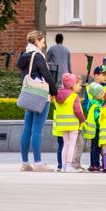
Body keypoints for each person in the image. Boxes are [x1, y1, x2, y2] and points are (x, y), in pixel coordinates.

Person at [15, 32, 52, 172]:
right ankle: (38, 162)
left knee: (27, 129)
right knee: (37, 130)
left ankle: (25, 163)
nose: (43, 44)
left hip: (29, 95)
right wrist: (54, 91)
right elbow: (47, 75)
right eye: (42, 41)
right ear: (37, 40)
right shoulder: (37, 55)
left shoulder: (24, 54)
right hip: (41, 95)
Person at [50, 73, 83, 171]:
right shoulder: (74, 96)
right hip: (72, 124)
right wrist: (83, 119)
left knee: (65, 144)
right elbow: (78, 111)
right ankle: (69, 166)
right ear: (72, 85)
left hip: (61, 124)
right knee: (72, 144)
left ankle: (63, 165)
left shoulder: (57, 95)